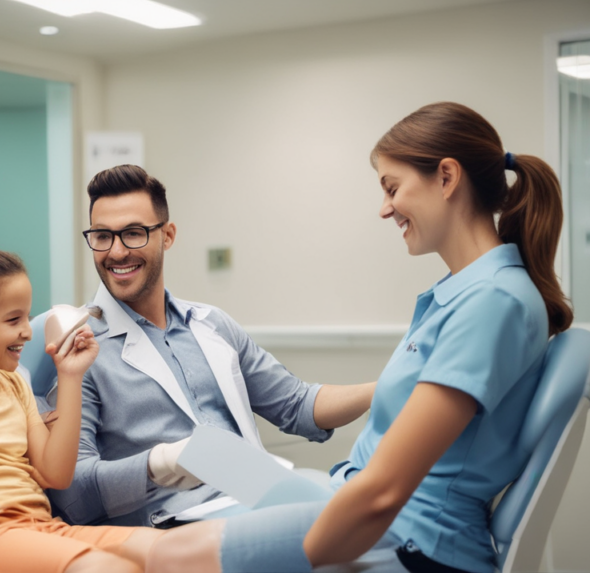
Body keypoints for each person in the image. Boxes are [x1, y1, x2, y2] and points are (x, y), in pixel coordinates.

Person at [144, 102, 574, 573]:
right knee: (205, 476)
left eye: (392, 188)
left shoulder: (494, 302)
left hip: (410, 538)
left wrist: (292, 560)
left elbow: (384, 493)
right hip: (360, 500)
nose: (385, 208)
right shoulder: (464, 293)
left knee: (161, 554)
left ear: (447, 178)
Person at [46, 165, 376, 528]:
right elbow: (73, 493)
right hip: (179, 521)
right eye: (102, 236)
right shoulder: (79, 351)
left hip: (258, 493)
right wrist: (161, 463)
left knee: (376, 499)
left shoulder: (212, 324)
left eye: (134, 234)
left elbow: (298, 405)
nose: (117, 251)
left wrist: (388, 387)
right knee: (350, 523)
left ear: (167, 235)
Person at [0, 205, 162, 573]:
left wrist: (69, 376)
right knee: (104, 569)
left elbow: (56, 474)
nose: (27, 331)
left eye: (27, 316)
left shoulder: (13, 384)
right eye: (13, 319)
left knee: (166, 551)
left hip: (39, 529)